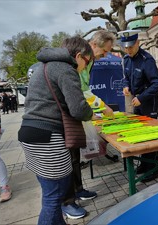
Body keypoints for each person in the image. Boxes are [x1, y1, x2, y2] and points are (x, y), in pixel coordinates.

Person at [18, 36, 94, 225]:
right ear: (79, 56)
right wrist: (91, 112)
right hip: (48, 137)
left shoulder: (43, 66)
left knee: (50, 194)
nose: (85, 67)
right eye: (87, 62)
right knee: (54, 197)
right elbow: (78, 108)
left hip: (29, 133)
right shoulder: (66, 69)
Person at [61, 30, 117, 220]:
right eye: (104, 50)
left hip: (75, 116)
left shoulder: (88, 60)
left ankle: (78, 190)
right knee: (68, 160)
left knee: (75, 157)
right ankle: (68, 202)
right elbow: (81, 92)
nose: (106, 55)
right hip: (62, 121)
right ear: (94, 45)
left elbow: (85, 90)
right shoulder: (77, 61)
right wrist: (101, 107)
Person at [118, 29, 158, 182]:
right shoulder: (127, 59)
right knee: (141, 135)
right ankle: (145, 164)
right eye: (125, 47)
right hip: (136, 101)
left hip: (148, 102)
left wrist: (142, 98)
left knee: (151, 136)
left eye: (130, 46)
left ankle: (154, 169)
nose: (128, 49)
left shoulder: (147, 59)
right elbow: (126, 77)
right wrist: (126, 86)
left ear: (137, 43)